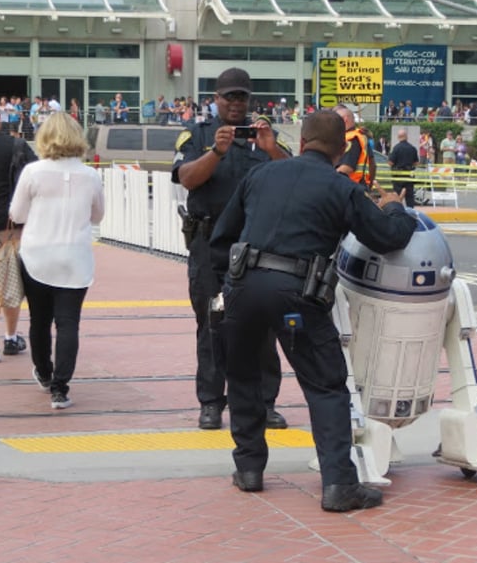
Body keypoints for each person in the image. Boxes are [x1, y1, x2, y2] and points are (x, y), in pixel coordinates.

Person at [209, 110, 416, 511]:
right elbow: (387, 238)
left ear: (301, 142)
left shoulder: (261, 176)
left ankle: (249, 471)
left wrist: (227, 287)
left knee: (244, 377)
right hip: (296, 294)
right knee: (325, 386)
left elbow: (223, 238)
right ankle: (339, 485)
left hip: (243, 288)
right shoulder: (342, 187)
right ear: (342, 149)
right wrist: (394, 207)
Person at [172, 67, 290, 431]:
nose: (236, 104)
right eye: (229, 97)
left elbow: (297, 178)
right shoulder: (198, 135)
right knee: (212, 326)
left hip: (258, 248)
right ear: (216, 100)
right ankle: (211, 402)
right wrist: (216, 152)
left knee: (264, 326)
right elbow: (187, 178)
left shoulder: (266, 137)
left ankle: (264, 402)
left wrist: (271, 149)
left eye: (242, 97)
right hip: (210, 248)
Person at [9, 112, 104, 409]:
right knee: (68, 323)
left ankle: (44, 372)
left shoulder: (33, 172)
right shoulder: (91, 175)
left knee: (39, 319)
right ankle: (61, 388)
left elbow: (17, 214)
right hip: (75, 257)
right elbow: (98, 215)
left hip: (37, 256)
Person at [0, 95, 37, 363]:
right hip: (11, 226)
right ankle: (11, 338)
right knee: (11, 280)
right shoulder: (16, 145)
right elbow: (35, 177)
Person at [334, 104, 376, 188]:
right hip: (357, 187)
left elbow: (346, 168)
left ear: (345, 119)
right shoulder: (360, 136)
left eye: (334, 120)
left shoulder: (351, 139)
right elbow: (372, 164)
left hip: (349, 189)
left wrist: (324, 179)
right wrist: (369, 185)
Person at [388, 128, 418, 208]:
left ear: (398, 137)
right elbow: (416, 163)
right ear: (406, 137)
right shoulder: (412, 148)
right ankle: (411, 214)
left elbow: (390, 163)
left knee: (397, 196)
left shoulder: (396, 148)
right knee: (409, 197)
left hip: (398, 176)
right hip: (409, 175)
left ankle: (397, 212)